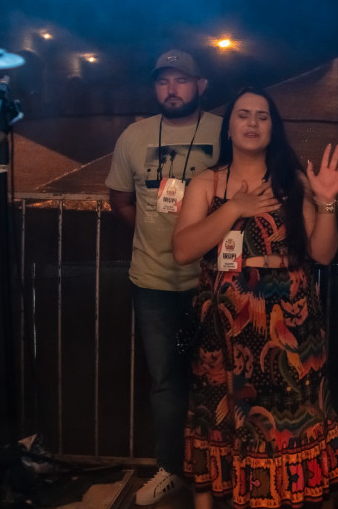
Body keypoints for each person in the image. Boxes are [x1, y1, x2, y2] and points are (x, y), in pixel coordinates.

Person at [172, 87, 338, 508]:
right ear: (229, 128)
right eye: (243, 115)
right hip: (224, 328)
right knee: (219, 416)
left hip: (290, 324)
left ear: (273, 128)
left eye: (262, 116)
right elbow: (182, 250)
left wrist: (327, 203)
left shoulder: (293, 182)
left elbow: (323, 254)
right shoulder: (207, 182)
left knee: (288, 421)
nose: (252, 123)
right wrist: (235, 207)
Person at [105, 49, 222, 505]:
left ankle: (222, 472)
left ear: (201, 84)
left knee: (221, 383)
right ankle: (170, 469)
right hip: (152, 281)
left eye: (181, 80)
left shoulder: (223, 132)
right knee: (165, 384)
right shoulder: (134, 136)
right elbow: (119, 198)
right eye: (163, 81)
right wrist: (156, 235)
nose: (172, 89)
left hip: (214, 284)